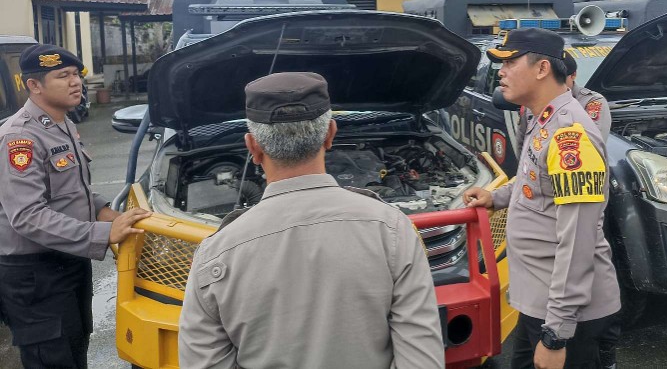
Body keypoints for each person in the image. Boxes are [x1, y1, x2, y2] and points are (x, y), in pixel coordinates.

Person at [178, 72, 444, 369]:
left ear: (252, 147)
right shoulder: (393, 231)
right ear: (330, 134)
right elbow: (422, 361)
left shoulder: (214, 255)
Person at [464, 29, 621, 369]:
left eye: (510, 62)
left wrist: (556, 335)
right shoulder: (541, 117)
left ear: (541, 69)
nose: (500, 72)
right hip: (540, 301)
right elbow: (533, 182)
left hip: (568, 316)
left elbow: (577, 242)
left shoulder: (571, 137)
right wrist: (496, 197)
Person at [0, 44, 151, 368]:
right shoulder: (19, 138)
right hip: (35, 274)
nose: (75, 82)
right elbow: (26, 216)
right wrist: (104, 231)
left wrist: (107, 212)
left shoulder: (61, 124)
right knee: (52, 357)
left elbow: (71, 193)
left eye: (76, 75)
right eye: (62, 75)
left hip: (68, 259)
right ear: (34, 85)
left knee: (75, 345)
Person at [514, 52, 610, 161]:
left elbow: (591, 147)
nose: (554, 84)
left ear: (573, 75)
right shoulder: (534, 100)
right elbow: (521, 143)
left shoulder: (591, 102)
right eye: (551, 79)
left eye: (560, 79)